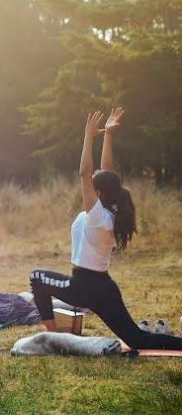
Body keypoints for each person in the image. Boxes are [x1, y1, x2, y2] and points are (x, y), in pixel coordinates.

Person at [30, 107, 182, 351]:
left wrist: (89, 136)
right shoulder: (111, 211)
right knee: (137, 339)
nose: (90, 184)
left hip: (82, 287)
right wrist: (108, 135)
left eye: (93, 184)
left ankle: (54, 337)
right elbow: (106, 172)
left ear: (97, 191)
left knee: (36, 277)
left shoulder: (97, 215)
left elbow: (84, 173)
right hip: (103, 286)